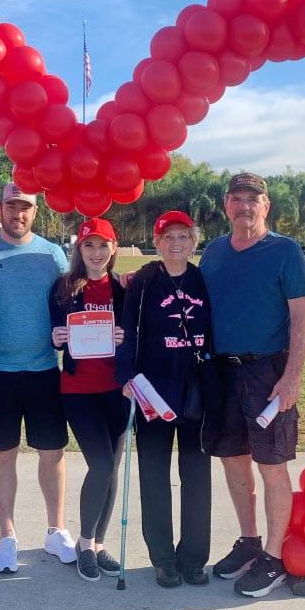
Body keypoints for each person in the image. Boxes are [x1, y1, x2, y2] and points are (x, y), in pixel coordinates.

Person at [199, 171, 305, 598]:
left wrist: (293, 376)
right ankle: (248, 541)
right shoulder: (213, 252)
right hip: (222, 372)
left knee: (272, 465)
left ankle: (275, 555)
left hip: (267, 372)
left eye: (253, 198)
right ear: (226, 205)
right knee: (232, 460)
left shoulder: (284, 251)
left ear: (266, 206)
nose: (244, 205)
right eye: (236, 198)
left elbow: (301, 317)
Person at [0, 182, 75, 574]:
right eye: (12, 206)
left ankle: (56, 530)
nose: (19, 214)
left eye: (26, 207)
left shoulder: (53, 254)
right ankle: (7, 536)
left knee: (52, 452)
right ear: (0, 209)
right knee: (3, 454)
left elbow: (71, 300)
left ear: (35, 212)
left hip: (44, 369)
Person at [115, 210, 212, 588]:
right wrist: (126, 376)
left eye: (183, 237)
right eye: (168, 237)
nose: (176, 244)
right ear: (156, 242)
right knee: (153, 475)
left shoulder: (203, 278)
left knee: (196, 476)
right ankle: (162, 558)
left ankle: (193, 558)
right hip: (154, 391)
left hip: (197, 392)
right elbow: (128, 329)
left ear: (193, 242)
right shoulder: (144, 280)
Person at [49, 217, 127, 583]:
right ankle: (83, 541)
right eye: (88, 245)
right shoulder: (64, 288)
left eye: (103, 245)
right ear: (79, 250)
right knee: (101, 465)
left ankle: (98, 544)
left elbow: (139, 335)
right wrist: (57, 336)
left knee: (112, 466)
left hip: (118, 391)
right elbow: (50, 332)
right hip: (79, 391)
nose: (96, 253)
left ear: (114, 248)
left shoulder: (125, 290)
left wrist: (127, 336)